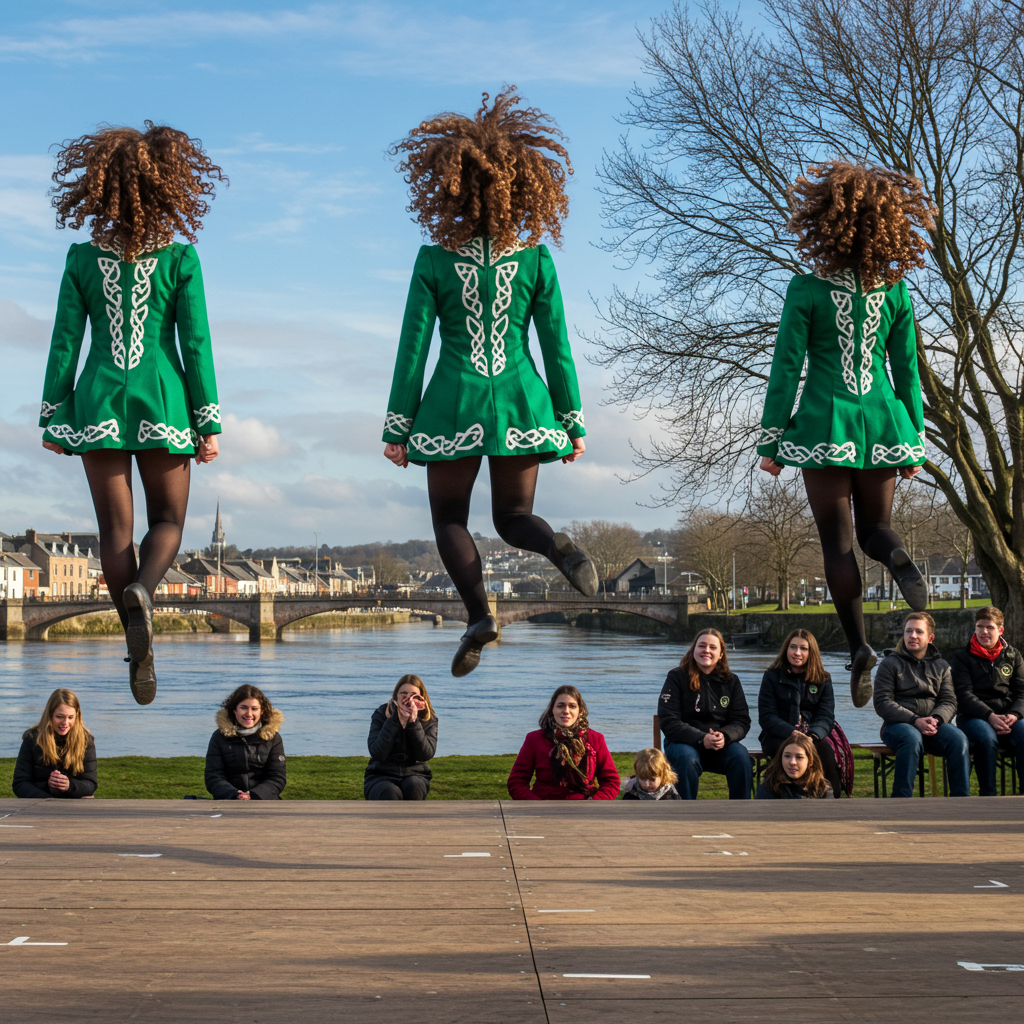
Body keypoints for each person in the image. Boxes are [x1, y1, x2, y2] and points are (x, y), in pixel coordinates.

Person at [382, 87, 597, 677]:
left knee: (450, 520)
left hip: (451, 402)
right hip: (522, 400)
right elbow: (556, 347)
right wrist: (572, 421)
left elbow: (412, 350)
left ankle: (479, 616)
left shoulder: (433, 260)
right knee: (514, 517)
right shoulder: (537, 259)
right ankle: (556, 546)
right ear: (523, 188)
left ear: (449, 187)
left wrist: (398, 427)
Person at [39, 122, 225, 705]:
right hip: (163, 397)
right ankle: (145, 591)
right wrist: (208, 421)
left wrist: (53, 414)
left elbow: (65, 341)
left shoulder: (80, 258)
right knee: (167, 521)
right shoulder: (180, 258)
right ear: (169, 187)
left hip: (97, 398)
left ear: (99, 190)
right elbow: (196, 345)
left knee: (114, 531)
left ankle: (135, 641)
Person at [758, 161, 936, 708]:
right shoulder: (896, 291)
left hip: (823, 425)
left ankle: (859, 646)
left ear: (824, 225)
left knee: (837, 544)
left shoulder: (806, 288)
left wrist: (771, 441)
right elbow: (907, 370)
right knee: (875, 530)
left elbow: (787, 367)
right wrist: (914, 439)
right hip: (883, 422)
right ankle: (896, 554)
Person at [873, 612, 970, 797]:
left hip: (934, 725)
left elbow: (949, 700)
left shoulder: (941, 666)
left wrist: (936, 719)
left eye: (919, 631)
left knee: (958, 739)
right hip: (898, 726)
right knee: (911, 738)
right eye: (908, 631)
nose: (913, 636)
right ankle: (901, 799)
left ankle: (961, 799)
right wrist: (915, 719)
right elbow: (882, 702)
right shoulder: (889, 664)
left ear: (930, 638)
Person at [657, 629, 752, 800]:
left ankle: (741, 809)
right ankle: (685, 811)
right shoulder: (676, 677)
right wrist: (702, 738)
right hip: (682, 744)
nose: (706, 650)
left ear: (721, 654)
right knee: (687, 758)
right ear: (694, 649)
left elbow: (741, 720)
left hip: (719, 745)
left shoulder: (731, 681)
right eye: (702, 646)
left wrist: (725, 736)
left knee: (741, 756)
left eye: (712, 647)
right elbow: (668, 720)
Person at [758, 628, 844, 797]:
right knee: (789, 755)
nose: (797, 653)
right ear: (786, 649)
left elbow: (826, 716)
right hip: (778, 735)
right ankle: (782, 796)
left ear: (811, 652)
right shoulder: (771, 676)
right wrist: (792, 733)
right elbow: (767, 716)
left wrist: (812, 736)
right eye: (793, 647)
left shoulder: (823, 679)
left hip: (812, 736)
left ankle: (832, 799)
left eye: (803, 648)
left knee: (825, 753)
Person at [951, 606, 1024, 796]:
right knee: (986, 737)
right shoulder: (962, 656)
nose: (984, 631)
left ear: (1001, 630)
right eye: (979, 626)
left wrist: (1014, 715)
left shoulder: (1013, 655)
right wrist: (989, 716)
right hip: (974, 717)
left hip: (1008, 717)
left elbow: (1021, 692)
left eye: (989, 627)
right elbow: (964, 694)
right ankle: (988, 794)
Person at [507, 685, 620, 800]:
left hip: (586, 805)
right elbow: (517, 782)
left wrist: (594, 803)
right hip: (543, 805)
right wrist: (536, 805)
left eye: (572, 706)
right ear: (552, 709)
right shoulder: (534, 739)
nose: (566, 711)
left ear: (580, 710)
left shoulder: (595, 739)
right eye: (560, 706)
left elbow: (611, 782)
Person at [205, 685, 286, 800]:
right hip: (228, 801)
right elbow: (213, 777)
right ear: (234, 710)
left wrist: (254, 795)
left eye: (254, 709)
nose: (249, 714)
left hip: (265, 801)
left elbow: (278, 777)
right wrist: (235, 794)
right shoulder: (219, 737)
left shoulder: (273, 738)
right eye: (243, 708)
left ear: (262, 711)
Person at [364, 675, 439, 801]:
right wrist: (394, 720)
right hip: (380, 774)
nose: (408, 699)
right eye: (403, 694)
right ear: (396, 695)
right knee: (389, 792)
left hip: (415, 773)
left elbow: (425, 754)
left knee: (414, 786)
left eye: (413, 695)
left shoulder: (428, 718)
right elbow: (377, 753)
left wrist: (413, 723)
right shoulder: (381, 713)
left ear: (421, 697)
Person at [13, 689, 97, 799]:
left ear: (77, 716)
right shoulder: (32, 739)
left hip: (74, 802)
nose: (65, 723)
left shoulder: (86, 740)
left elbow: (91, 784)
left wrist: (69, 786)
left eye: (70, 717)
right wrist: (49, 799)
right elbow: (20, 783)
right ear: (50, 715)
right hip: (40, 802)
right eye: (59, 717)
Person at [755, 731, 833, 799]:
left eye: (799, 757)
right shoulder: (769, 787)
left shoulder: (822, 788)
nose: (792, 762)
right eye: (787, 756)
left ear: (810, 761)